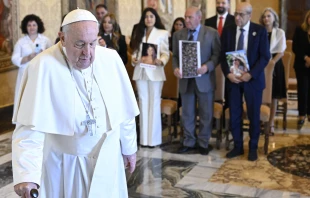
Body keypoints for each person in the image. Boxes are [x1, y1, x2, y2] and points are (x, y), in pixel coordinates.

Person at [12, 9, 139, 198]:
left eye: (92, 43)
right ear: (62, 38)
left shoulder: (111, 60)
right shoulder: (42, 66)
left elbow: (124, 111)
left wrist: (129, 149)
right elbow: (29, 127)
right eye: (79, 44)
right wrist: (27, 175)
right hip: (66, 165)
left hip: (108, 160)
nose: (87, 53)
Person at [220, 2, 270, 161]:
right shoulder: (228, 30)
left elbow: (265, 57)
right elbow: (222, 55)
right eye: (236, 14)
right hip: (233, 79)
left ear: (249, 15)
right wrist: (228, 74)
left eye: (241, 14)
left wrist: (251, 74)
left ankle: (253, 147)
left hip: (252, 80)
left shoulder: (259, 31)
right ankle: (238, 146)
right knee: (234, 113)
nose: (237, 17)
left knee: (253, 114)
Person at [172, 7, 221, 155]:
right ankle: (189, 141)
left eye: (190, 17)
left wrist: (207, 67)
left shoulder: (211, 33)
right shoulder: (178, 35)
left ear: (199, 18)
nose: (186, 20)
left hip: (204, 79)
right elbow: (175, 56)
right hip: (186, 80)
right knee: (187, 113)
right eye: (185, 17)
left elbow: (217, 55)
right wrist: (175, 68)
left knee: (206, 112)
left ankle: (203, 142)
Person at [130, 7, 169, 147]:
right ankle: (144, 140)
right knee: (143, 103)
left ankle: (154, 140)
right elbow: (135, 52)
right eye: (146, 16)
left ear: (155, 18)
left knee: (154, 103)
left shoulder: (162, 33)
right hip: (141, 72)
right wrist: (134, 59)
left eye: (151, 16)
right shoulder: (139, 32)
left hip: (155, 72)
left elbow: (165, 53)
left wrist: (161, 60)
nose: (148, 19)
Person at [11, 14, 52, 115]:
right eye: (29, 25)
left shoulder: (45, 40)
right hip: (26, 72)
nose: (32, 27)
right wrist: (28, 57)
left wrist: (44, 53)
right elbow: (14, 59)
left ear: (38, 26)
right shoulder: (20, 42)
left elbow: (52, 55)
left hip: (41, 72)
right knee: (26, 96)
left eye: (34, 25)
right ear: (25, 27)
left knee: (40, 95)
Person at [259, 7, 287, 135]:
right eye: (264, 16)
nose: (266, 19)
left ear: (274, 18)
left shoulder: (280, 32)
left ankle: (270, 123)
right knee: (261, 93)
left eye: (269, 16)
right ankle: (261, 120)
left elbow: (281, 51)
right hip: (261, 65)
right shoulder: (260, 31)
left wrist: (272, 63)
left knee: (273, 95)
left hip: (275, 65)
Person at [292, 10, 310, 129]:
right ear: (307, 18)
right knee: (302, 90)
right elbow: (295, 47)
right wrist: (306, 58)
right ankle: (301, 115)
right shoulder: (299, 30)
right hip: (301, 65)